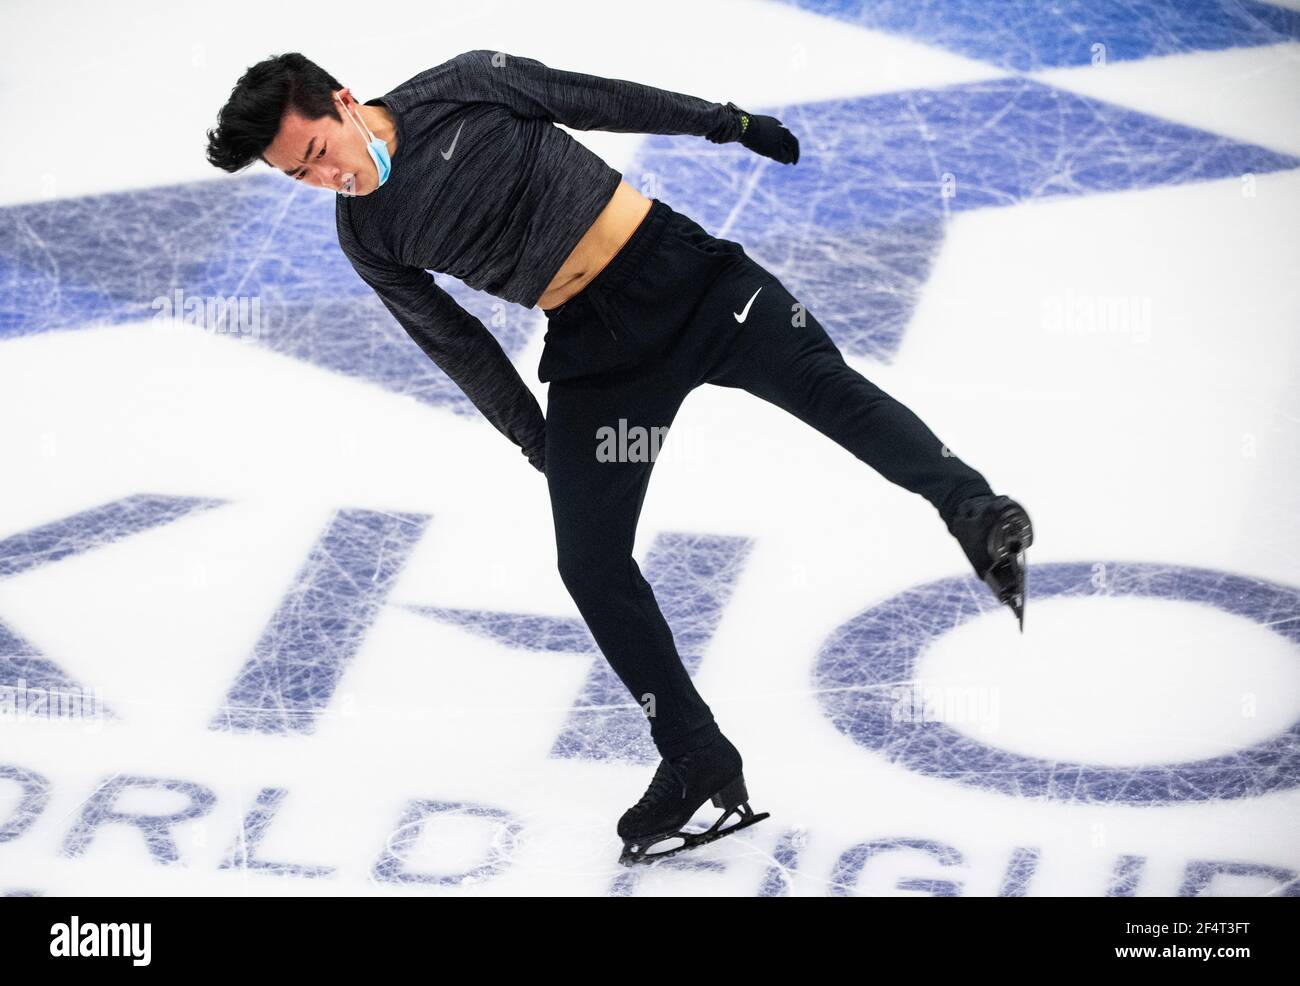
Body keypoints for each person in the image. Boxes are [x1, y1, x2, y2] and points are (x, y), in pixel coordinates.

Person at [205, 48, 1033, 865]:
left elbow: (595, 97)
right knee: (590, 560)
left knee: (825, 387)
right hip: (600, 355)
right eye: (298, 179)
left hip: (691, 282)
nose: (325, 181)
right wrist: (537, 440)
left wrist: (726, 122)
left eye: (316, 155)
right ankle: (696, 753)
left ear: (344, 102)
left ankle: (974, 510)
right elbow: (453, 342)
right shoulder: (367, 235)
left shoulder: (461, 87)